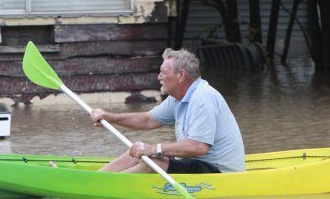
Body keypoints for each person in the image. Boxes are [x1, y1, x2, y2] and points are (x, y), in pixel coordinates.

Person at [89, 48, 245, 173]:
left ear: (181, 75)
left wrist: (153, 149)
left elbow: (198, 147)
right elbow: (148, 120)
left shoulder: (202, 97)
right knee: (136, 150)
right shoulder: (178, 97)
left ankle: (108, 186)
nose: (159, 77)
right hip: (194, 163)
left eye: (163, 72)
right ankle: (96, 180)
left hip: (219, 172)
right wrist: (110, 118)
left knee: (152, 160)